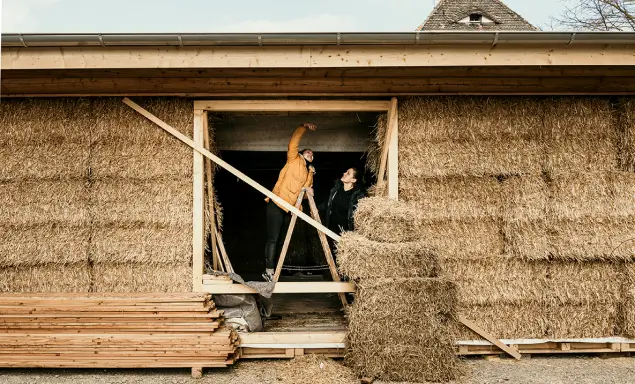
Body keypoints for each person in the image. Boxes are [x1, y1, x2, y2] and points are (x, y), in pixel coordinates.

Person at [262, 122, 317, 281]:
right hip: (277, 203)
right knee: (273, 239)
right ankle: (269, 270)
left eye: (312, 154)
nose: (309, 153)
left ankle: (276, 270)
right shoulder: (293, 160)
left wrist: (309, 187)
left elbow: (303, 194)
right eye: (307, 151)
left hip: (290, 209)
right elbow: (293, 143)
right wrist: (303, 127)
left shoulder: (308, 172)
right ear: (301, 154)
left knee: (282, 240)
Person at [320, 167, 365, 236]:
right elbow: (328, 203)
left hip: (344, 235)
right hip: (330, 230)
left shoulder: (357, 197)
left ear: (353, 180)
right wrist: (317, 209)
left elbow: (358, 219)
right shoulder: (336, 189)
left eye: (348, 173)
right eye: (345, 172)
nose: (344, 173)